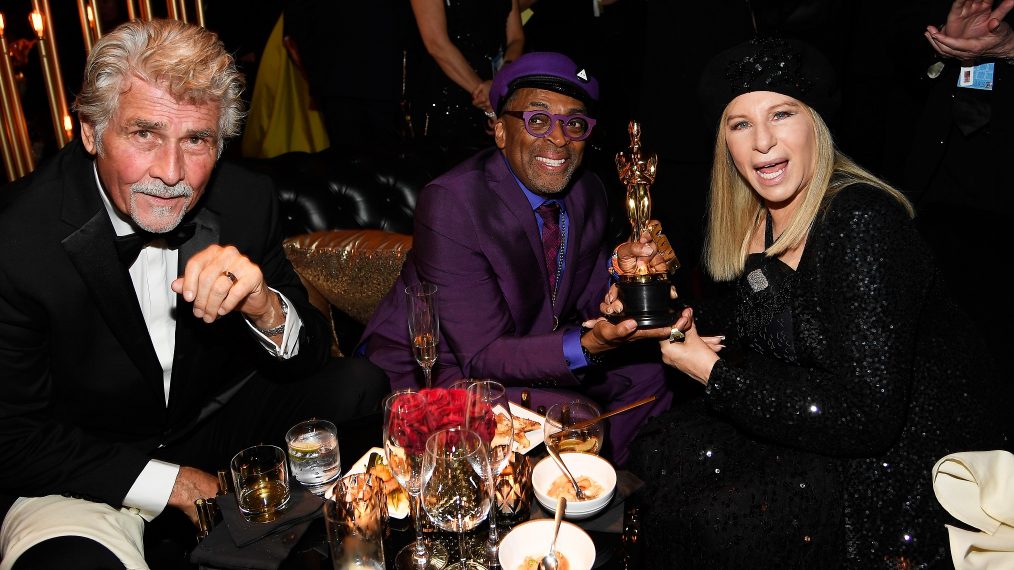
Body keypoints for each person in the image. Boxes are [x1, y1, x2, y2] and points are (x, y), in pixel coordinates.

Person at [0, 19, 388, 569]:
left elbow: (310, 353)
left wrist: (265, 307)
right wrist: (175, 484)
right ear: (90, 130)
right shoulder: (17, 239)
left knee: (358, 383)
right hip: (82, 466)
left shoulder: (248, 201)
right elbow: (13, 437)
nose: (172, 173)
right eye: (144, 133)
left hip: (207, 428)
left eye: (197, 140)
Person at [616, 37, 1005, 567]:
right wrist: (665, 312)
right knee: (663, 454)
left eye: (781, 114)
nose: (762, 142)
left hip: (900, 467)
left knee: (716, 516)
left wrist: (713, 374)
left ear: (815, 125)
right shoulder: (761, 218)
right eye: (740, 123)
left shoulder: (861, 223)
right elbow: (760, 318)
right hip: (818, 413)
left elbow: (867, 418)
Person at [359, 52, 676, 465]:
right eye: (538, 120)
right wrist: (587, 344)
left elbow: (586, 295)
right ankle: (563, 500)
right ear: (500, 131)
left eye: (575, 123)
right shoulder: (453, 203)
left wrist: (628, 273)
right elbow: (482, 354)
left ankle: (609, 499)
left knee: (650, 378)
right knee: (576, 416)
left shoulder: (589, 192)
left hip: (531, 348)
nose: (560, 139)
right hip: (439, 371)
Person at [406, 0, 524, 162]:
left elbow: (516, 38)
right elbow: (436, 44)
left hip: (495, 90)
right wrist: (486, 94)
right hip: (446, 96)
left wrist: (501, 81)